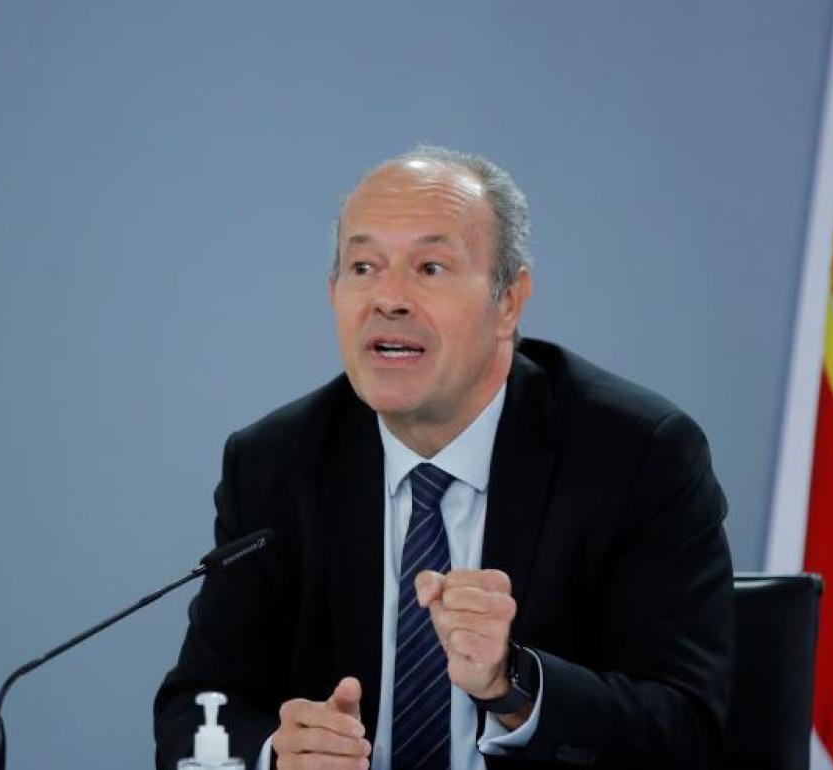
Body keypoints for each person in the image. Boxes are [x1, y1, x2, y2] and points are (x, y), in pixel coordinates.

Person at [154, 146, 733, 770]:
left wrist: (516, 685)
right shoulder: (275, 465)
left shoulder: (636, 456)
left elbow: (686, 730)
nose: (389, 298)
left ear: (509, 301)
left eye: (430, 267)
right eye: (363, 267)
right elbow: (198, 707)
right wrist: (276, 754)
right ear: (333, 292)